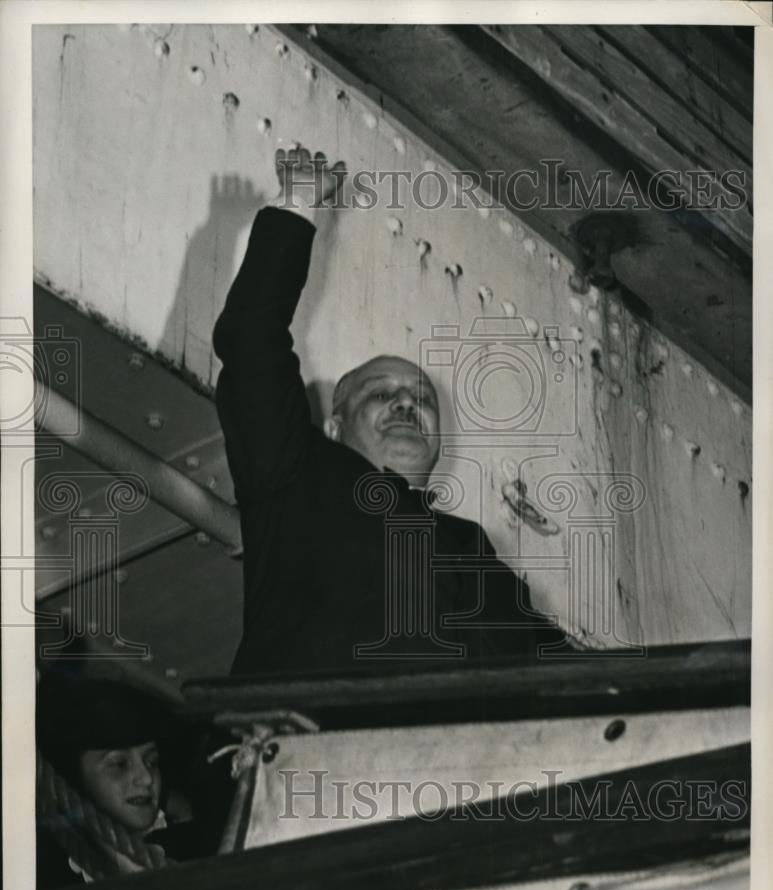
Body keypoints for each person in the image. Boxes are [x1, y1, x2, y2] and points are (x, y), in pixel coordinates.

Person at [213, 146, 568, 676]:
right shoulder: (298, 476)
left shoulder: (471, 548)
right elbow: (250, 341)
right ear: (333, 426)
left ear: (439, 444)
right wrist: (299, 201)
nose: (407, 403)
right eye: (381, 394)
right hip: (316, 746)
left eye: (423, 400)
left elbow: (555, 666)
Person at [36, 665, 204, 888]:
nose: (146, 778)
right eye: (119, 765)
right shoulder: (45, 870)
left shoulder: (197, 841)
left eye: (152, 762)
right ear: (73, 779)